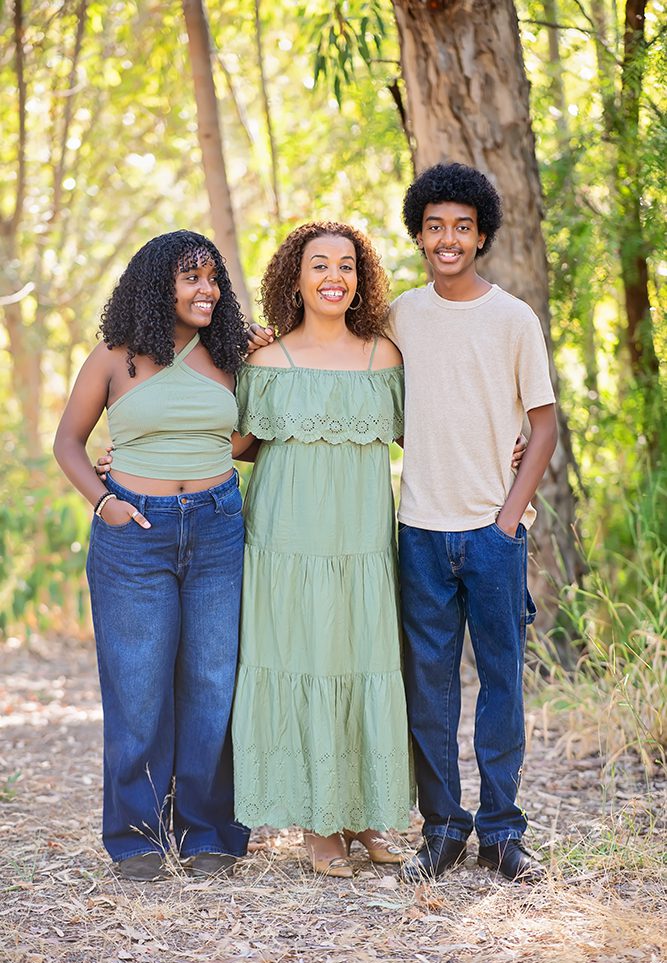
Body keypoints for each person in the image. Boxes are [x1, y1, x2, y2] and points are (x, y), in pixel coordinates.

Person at [53, 231, 251, 882]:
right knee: (138, 689)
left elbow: (247, 439)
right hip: (135, 532)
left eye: (213, 278)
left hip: (218, 526)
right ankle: (137, 837)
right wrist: (103, 502)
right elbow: (69, 443)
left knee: (211, 683)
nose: (207, 290)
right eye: (191, 277)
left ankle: (206, 830)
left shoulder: (231, 355)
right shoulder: (115, 358)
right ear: (156, 284)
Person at [389, 163, 558, 883]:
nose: (447, 238)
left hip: (492, 535)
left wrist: (506, 519)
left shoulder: (513, 319)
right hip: (419, 530)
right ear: (419, 235)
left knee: (500, 687)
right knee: (428, 691)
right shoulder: (398, 314)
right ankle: (442, 830)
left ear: (481, 234)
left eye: (461, 226)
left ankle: (501, 833)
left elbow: (543, 427)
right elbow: (375, 398)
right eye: (434, 227)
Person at [231, 222, 413, 877]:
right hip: (285, 543)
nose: (333, 276)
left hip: (361, 545)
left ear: (360, 280)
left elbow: (428, 434)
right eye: (319, 265)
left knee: (361, 662)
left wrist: (508, 443)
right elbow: (228, 443)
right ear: (296, 279)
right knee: (303, 661)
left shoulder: (382, 358)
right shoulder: (264, 361)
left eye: (346, 265)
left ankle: (360, 812)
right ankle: (318, 822)